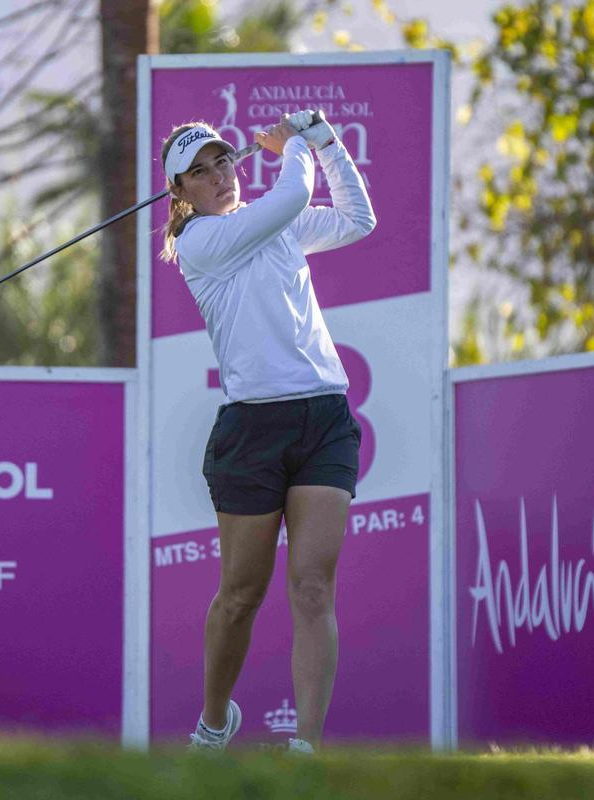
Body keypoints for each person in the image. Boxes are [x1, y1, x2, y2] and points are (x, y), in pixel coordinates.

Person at [159, 111, 376, 754]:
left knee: (312, 586)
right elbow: (290, 196)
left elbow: (358, 219)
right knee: (240, 595)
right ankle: (214, 720)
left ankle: (306, 747)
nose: (218, 176)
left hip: (323, 419)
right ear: (181, 194)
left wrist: (328, 143)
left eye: (223, 161)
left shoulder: (274, 223)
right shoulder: (200, 244)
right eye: (199, 172)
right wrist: (293, 149)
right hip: (251, 429)